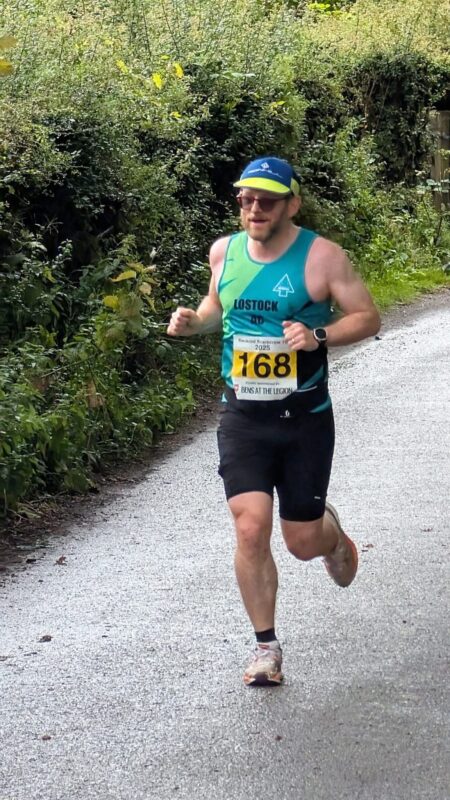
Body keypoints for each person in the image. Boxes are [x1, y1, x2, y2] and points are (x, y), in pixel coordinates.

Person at [167, 156, 381, 686]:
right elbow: (217, 308)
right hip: (243, 415)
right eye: (247, 199)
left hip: (304, 418)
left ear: (292, 204)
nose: (255, 209)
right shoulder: (224, 251)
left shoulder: (323, 257)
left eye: (267, 200)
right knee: (250, 525)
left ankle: (332, 537)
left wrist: (318, 336)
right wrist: (195, 322)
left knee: (301, 542)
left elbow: (367, 316)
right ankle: (266, 649)